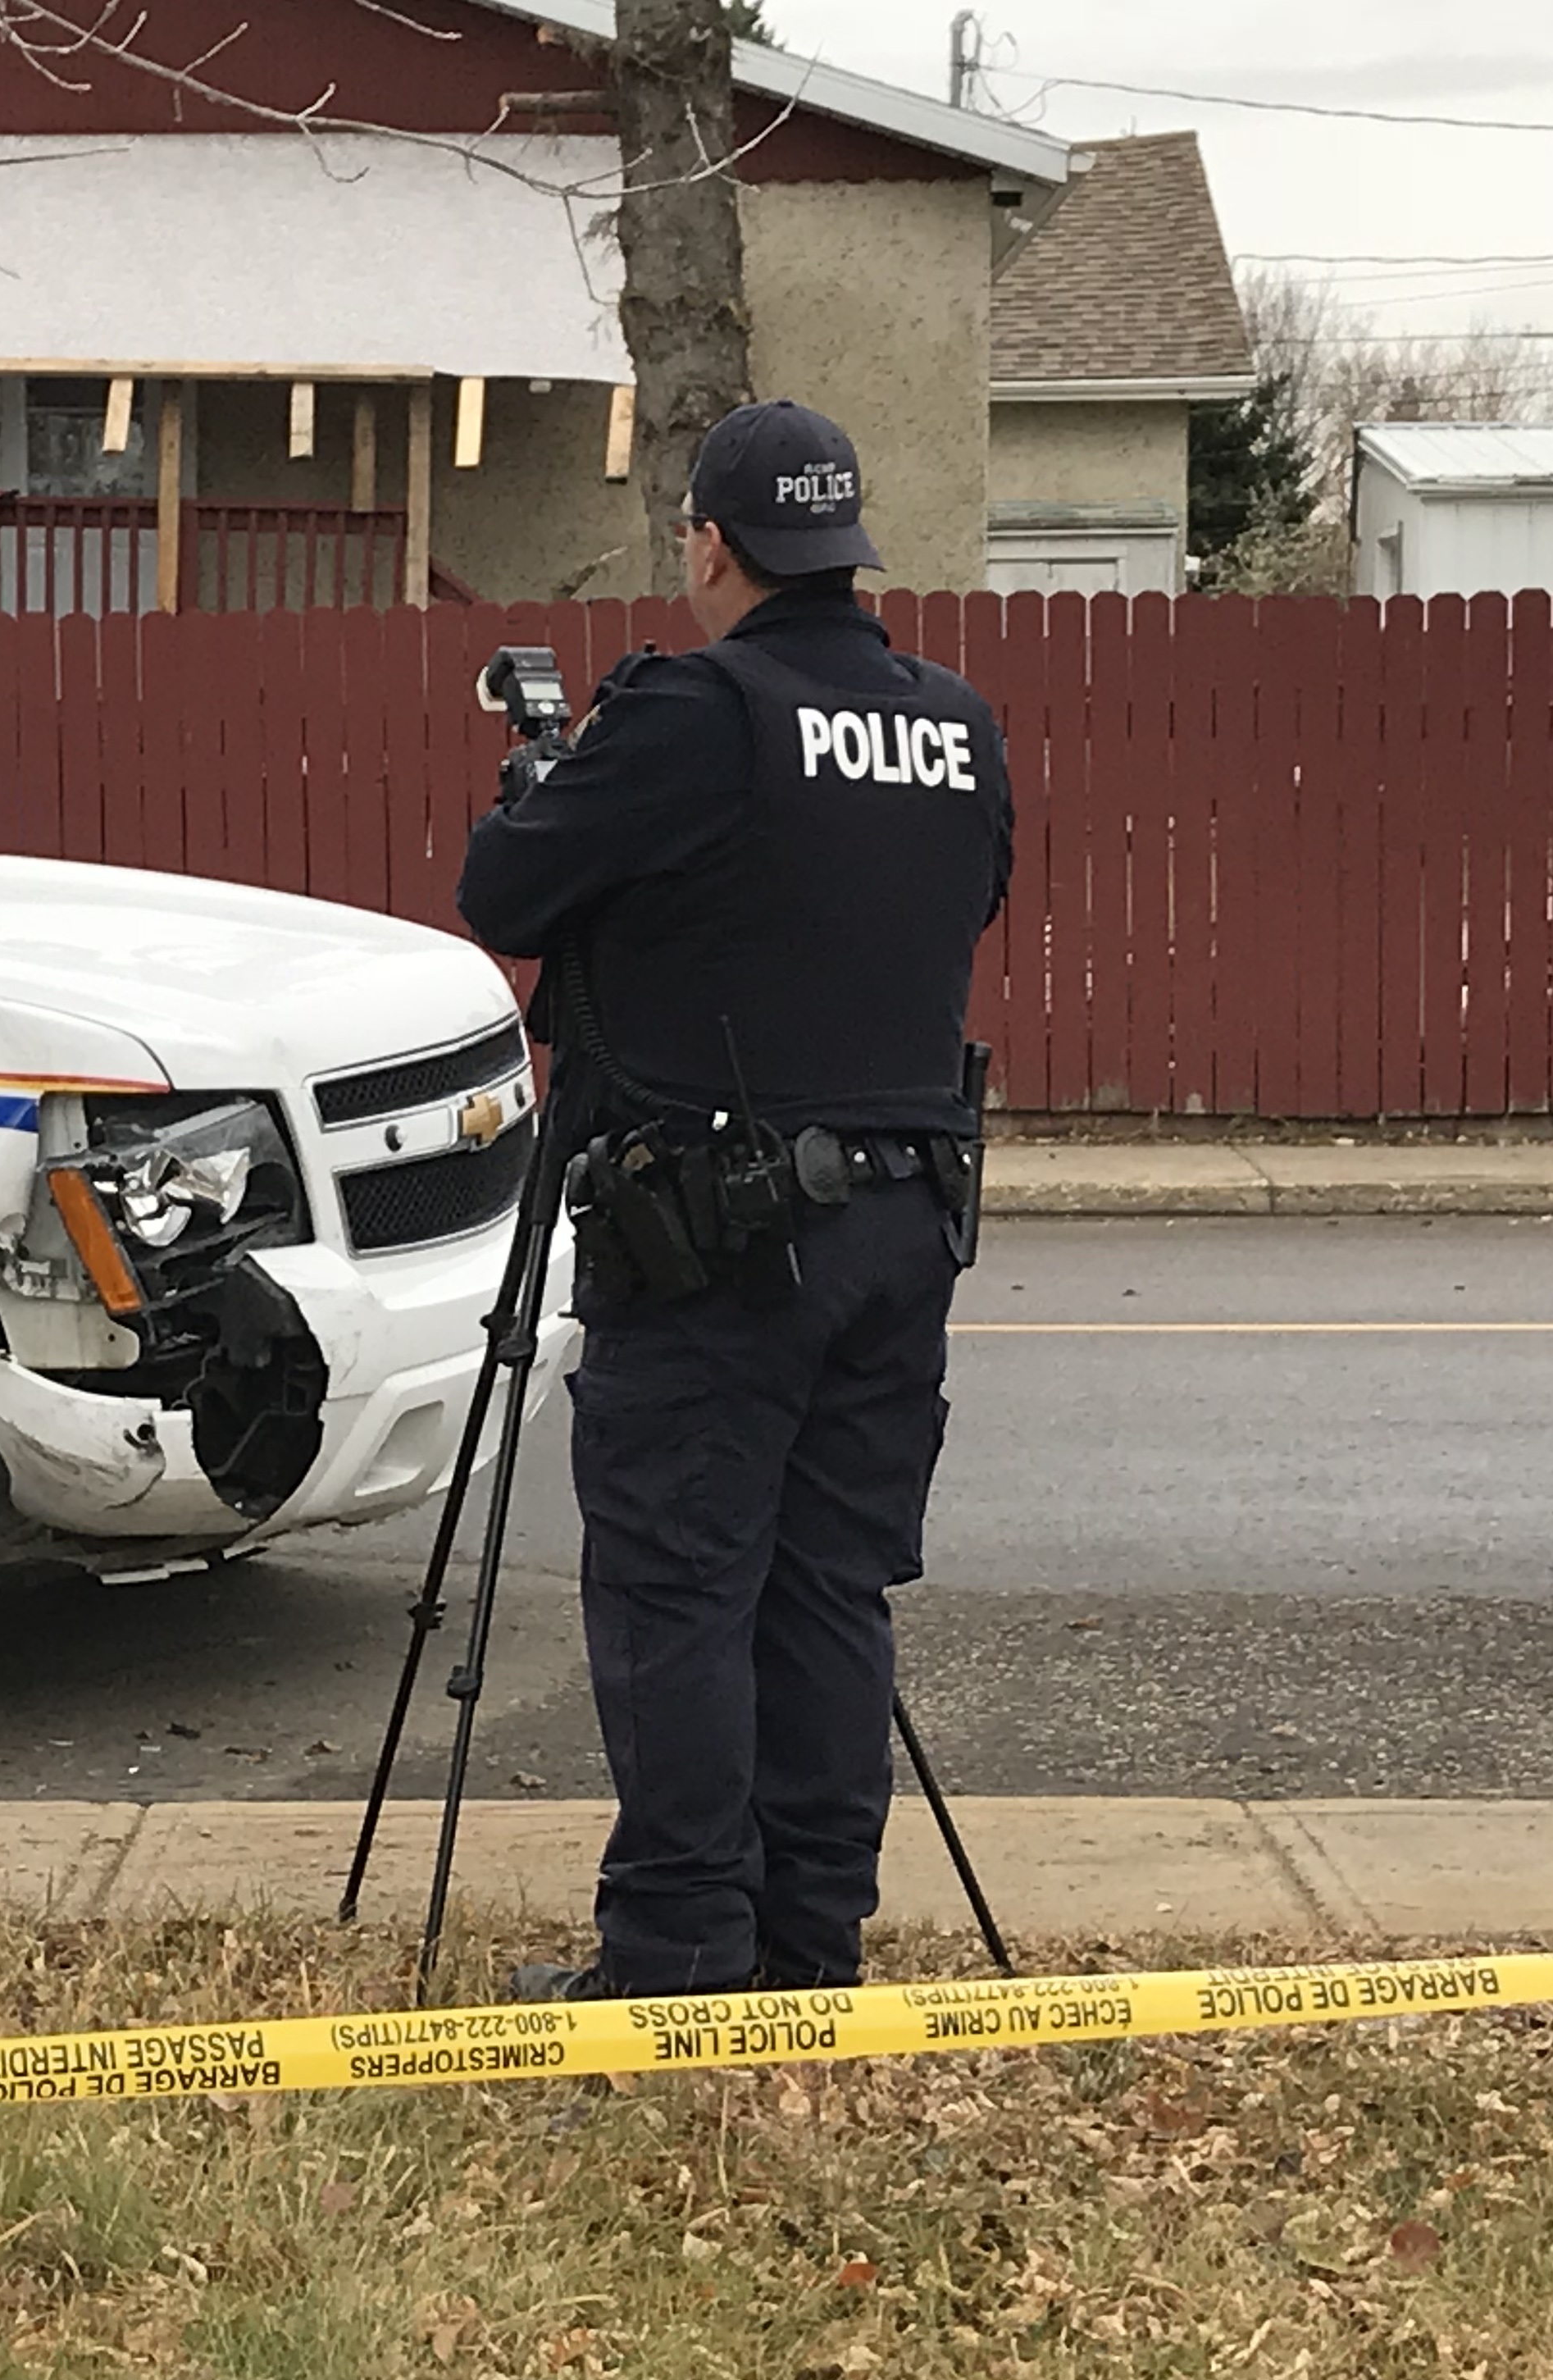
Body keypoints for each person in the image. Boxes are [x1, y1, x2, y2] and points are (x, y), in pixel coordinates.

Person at [456, 400, 1014, 1999]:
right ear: (848, 545)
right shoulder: (957, 722)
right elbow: (956, 899)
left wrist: (552, 791)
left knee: (681, 1591)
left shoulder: (695, 713)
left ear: (711, 541)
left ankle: (680, 1952)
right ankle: (807, 1938)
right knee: (830, 1588)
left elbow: (506, 892)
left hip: (717, 1238)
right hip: (905, 1225)